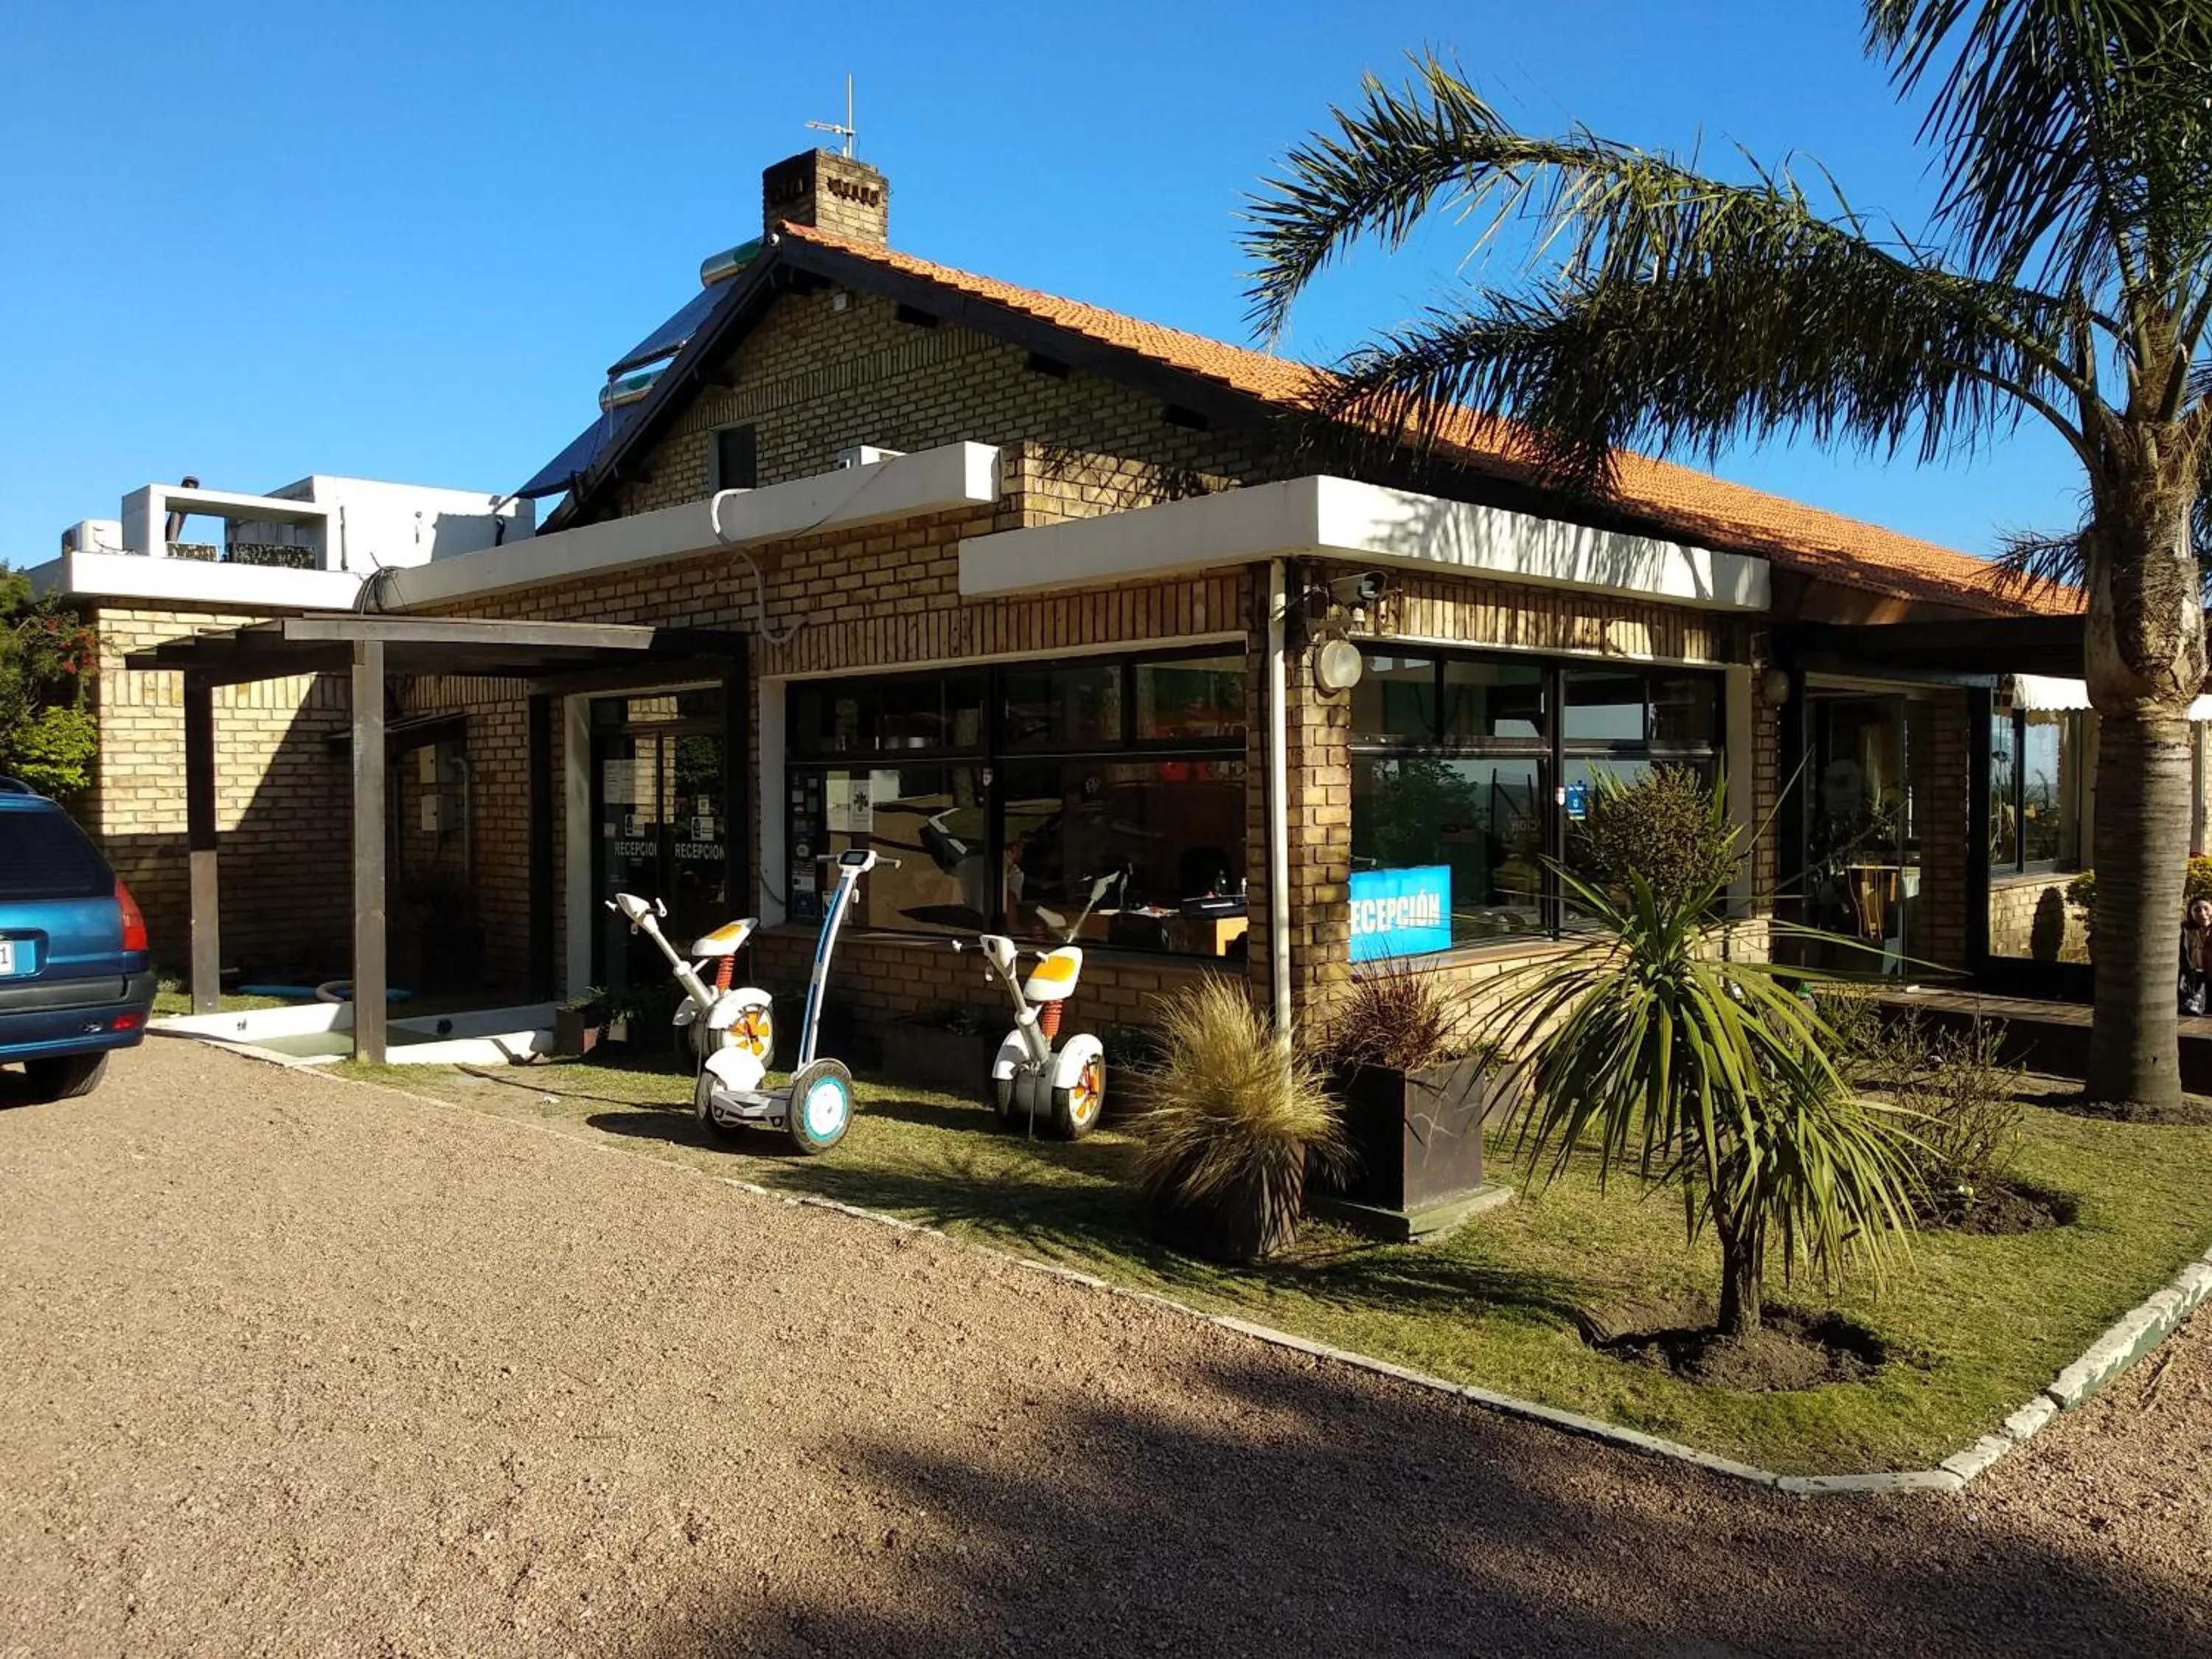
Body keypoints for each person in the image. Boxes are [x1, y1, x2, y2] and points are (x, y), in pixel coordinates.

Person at [2180, 897, 2212, 1017]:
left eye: (2206, 908)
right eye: (2197, 910)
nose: (2203, 913)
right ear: (2191, 913)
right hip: (2195, 983)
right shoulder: (2186, 932)